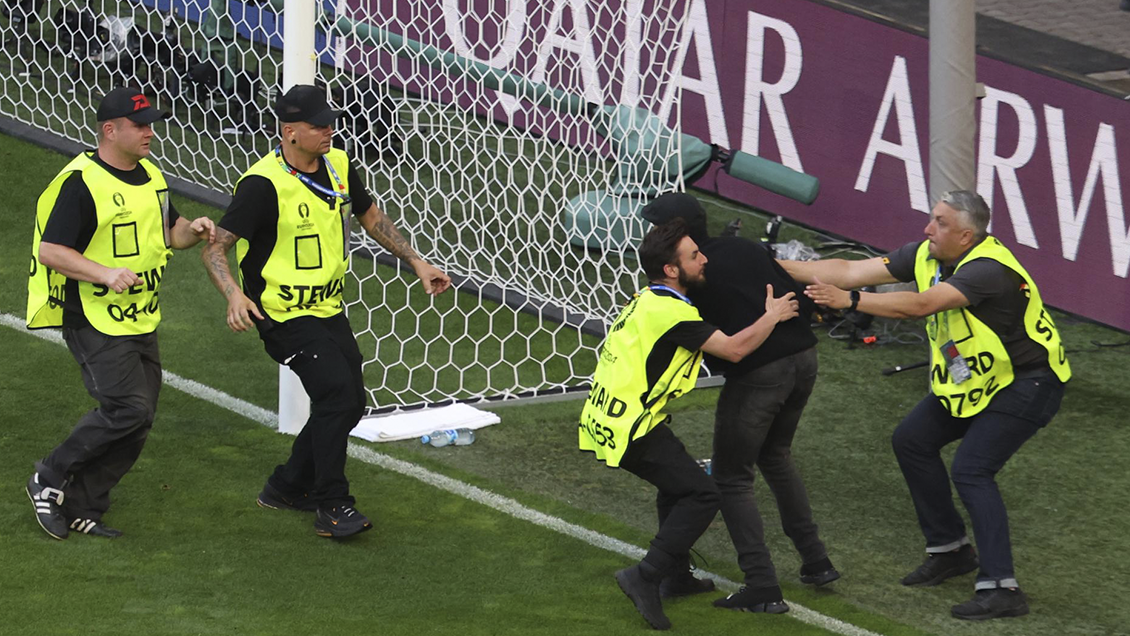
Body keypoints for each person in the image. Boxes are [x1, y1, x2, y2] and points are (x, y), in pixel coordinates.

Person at [783, 190, 1069, 620]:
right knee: (912, 441)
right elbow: (845, 269)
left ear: (967, 235)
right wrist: (770, 265)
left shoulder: (988, 270)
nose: (927, 229)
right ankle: (951, 550)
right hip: (983, 379)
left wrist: (852, 302)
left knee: (972, 470)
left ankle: (1002, 588)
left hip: (1028, 383)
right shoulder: (925, 254)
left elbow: (921, 305)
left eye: (939, 222)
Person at [201, 84, 451, 539]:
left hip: (328, 308)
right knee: (336, 396)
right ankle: (333, 504)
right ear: (289, 131)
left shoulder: (338, 165)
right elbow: (216, 247)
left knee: (351, 402)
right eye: (318, 125)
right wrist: (234, 295)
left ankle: (287, 486)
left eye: (329, 122)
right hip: (282, 314)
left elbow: (370, 215)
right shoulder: (262, 185)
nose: (329, 131)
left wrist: (417, 261)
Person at [579, 218, 800, 630]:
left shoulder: (646, 300)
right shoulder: (671, 312)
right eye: (694, 256)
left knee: (677, 485)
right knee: (702, 494)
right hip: (633, 426)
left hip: (613, 416)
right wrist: (772, 316)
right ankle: (645, 576)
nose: (704, 260)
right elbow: (734, 350)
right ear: (671, 270)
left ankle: (676, 576)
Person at [25, 87, 216, 540]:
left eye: (151, 123)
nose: (151, 132)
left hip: (139, 315)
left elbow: (170, 233)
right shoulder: (81, 183)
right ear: (110, 130)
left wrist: (194, 228)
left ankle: (81, 503)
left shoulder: (151, 176)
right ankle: (48, 477)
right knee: (127, 408)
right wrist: (103, 273)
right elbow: (51, 250)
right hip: (91, 313)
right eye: (141, 125)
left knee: (139, 416)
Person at [640, 193, 839, 615]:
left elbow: (719, 345)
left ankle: (762, 584)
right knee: (777, 456)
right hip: (805, 360)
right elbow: (796, 302)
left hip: (760, 374)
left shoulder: (688, 277)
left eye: (656, 227)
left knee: (731, 477)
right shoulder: (746, 246)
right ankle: (816, 561)